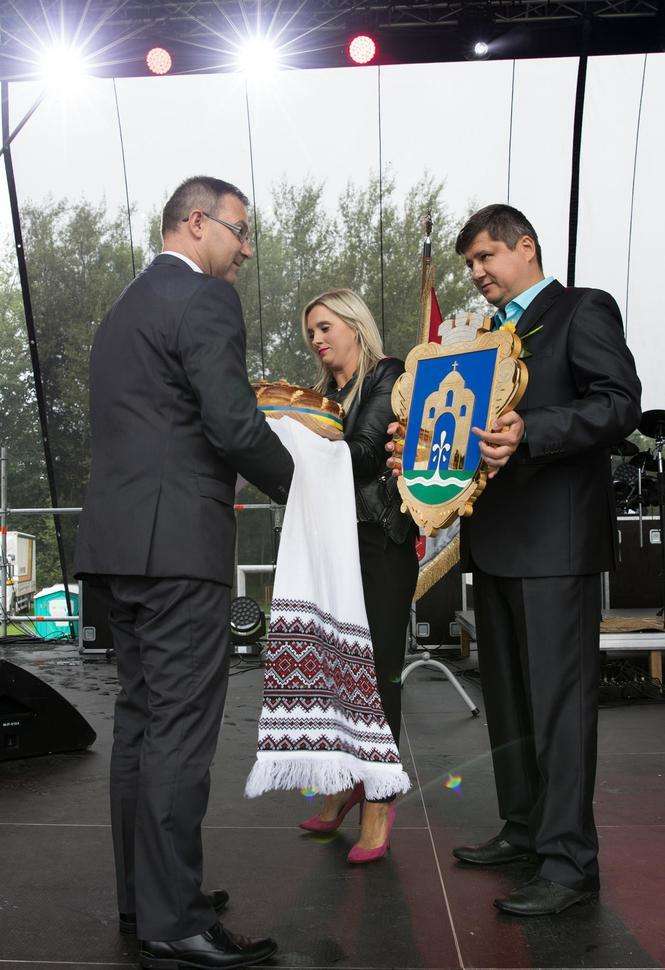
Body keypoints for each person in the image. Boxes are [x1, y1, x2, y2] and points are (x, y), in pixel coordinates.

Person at [388, 204, 641, 916]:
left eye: (485, 257)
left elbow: (619, 404)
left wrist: (531, 430)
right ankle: (524, 828)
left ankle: (568, 864)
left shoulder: (582, 310)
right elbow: (461, 428)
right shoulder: (478, 337)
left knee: (559, 707)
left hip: (556, 545)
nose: (476, 273)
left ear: (525, 248)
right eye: (469, 263)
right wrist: (418, 449)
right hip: (493, 540)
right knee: (507, 702)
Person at [74, 176, 294, 968]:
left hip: (116, 548)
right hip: (177, 550)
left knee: (139, 725)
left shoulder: (123, 310)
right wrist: (305, 487)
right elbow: (232, 423)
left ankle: (145, 898)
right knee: (177, 734)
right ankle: (175, 923)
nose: (245, 249)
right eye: (240, 231)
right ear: (197, 222)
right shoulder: (205, 299)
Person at [297, 288, 419, 863]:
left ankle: (379, 795)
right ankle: (344, 782)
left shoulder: (387, 376)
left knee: (376, 674)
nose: (317, 339)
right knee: (334, 671)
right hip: (332, 543)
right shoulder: (322, 394)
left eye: (325, 327)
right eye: (311, 332)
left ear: (354, 325)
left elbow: (367, 454)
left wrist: (298, 430)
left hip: (379, 543)